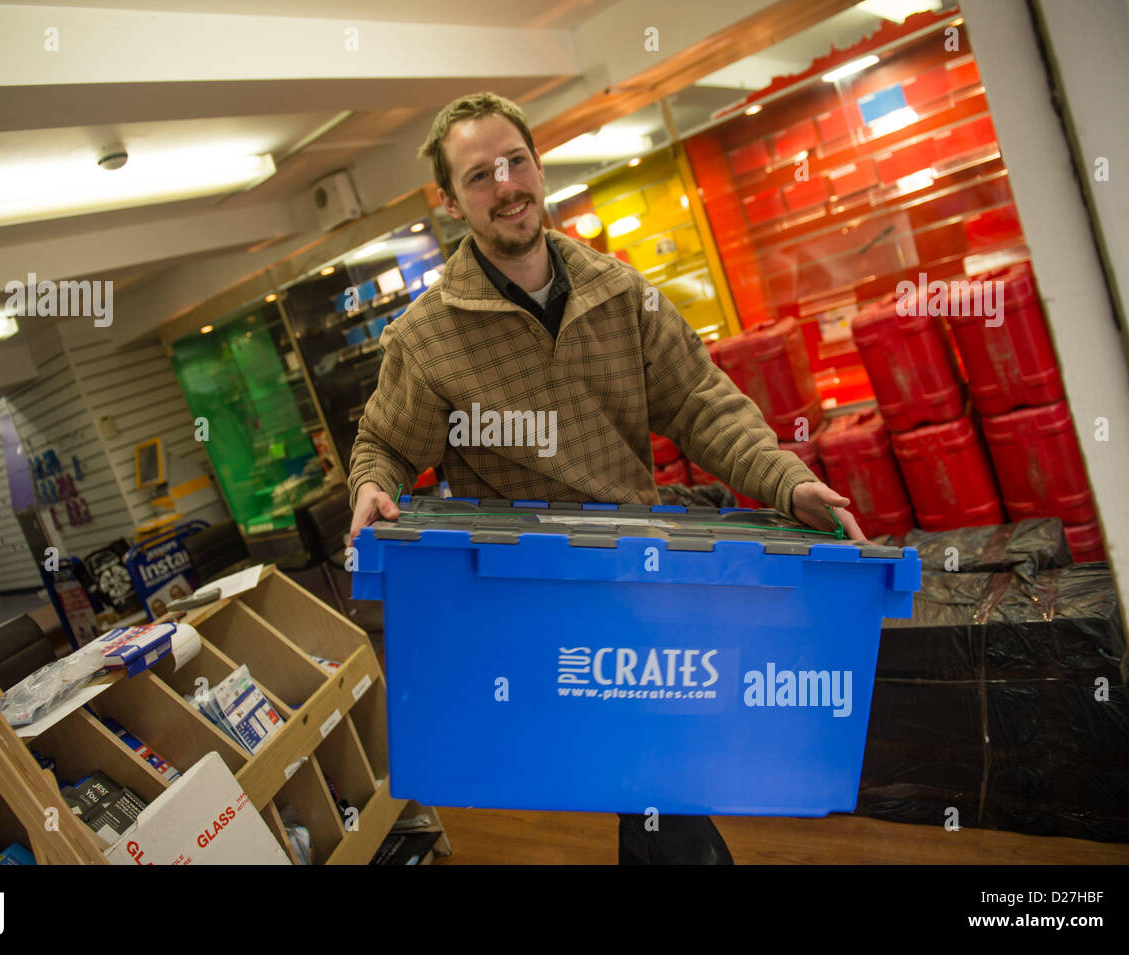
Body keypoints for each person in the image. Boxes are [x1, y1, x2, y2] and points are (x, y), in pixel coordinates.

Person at [346, 91, 867, 865]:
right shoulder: (426, 339)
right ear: (449, 201)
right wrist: (372, 484)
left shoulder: (621, 294)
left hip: (634, 574)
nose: (507, 185)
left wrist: (788, 482)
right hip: (531, 594)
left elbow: (699, 401)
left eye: (515, 161)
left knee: (657, 783)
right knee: (651, 780)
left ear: (538, 163)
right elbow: (385, 442)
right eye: (480, 175)